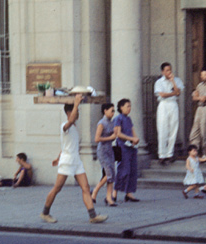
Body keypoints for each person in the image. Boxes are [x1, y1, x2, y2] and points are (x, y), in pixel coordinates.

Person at [40, 93, 107, 224]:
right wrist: (76, 103)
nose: (78, 114)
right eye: (76, 111)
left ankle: (92, 216)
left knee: (86, 187)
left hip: (76, 160)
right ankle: (45, 212)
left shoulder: (74, 128)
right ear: (69, 112)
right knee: (57, 188)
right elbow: (69, 122)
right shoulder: (65, 125)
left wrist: (58, 156)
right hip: (67, 162)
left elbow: (67, 144)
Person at [154, 62, 184, 164]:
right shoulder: (159, 82)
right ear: (162, 72)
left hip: (173, 104)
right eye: (167, 70)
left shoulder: (177, 80)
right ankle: (162, 154)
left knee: (173, 128)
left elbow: (178, 92)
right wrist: (173, 93)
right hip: (163, 105)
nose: (169, 72)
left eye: (170, 70)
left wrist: (173, 82)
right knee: (162, 129)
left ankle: (170, 153)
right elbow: (161, 95)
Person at [113, 98, 140, 203]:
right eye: (127, 106)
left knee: (133, 170)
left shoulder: (128, 119)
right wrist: (131, 139)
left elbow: (133, 131)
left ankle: (129, 193)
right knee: (123, 170)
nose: (129, 108)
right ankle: (114, 192)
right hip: (122, 147)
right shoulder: (118, 119)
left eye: (130, 106)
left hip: (131, 147)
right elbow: (118, 134)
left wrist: (135, 139)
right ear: (121, 107)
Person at [90, 103, 118, 206]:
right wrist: (110, 138)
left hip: (110, 150)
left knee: (111, 175)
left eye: (114, 111)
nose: (113, 113)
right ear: (105, 111)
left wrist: (114, 136)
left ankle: (108, 197)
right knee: (109, 174)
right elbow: (97, 139)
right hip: (102, 151)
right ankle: (95, 191)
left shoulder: (112, 123)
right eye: (111, 110)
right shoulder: (101, 123)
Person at [188, 67, 206, 156]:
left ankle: (205, 153)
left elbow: (204, 99)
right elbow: (193, 97)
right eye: (201, 74)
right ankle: (194, 151)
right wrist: (199, 97)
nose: (202, 76)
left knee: (205, 132)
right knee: (195, 131)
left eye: (204, 74)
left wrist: (198, 97)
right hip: (199, 108)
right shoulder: (199, 85)